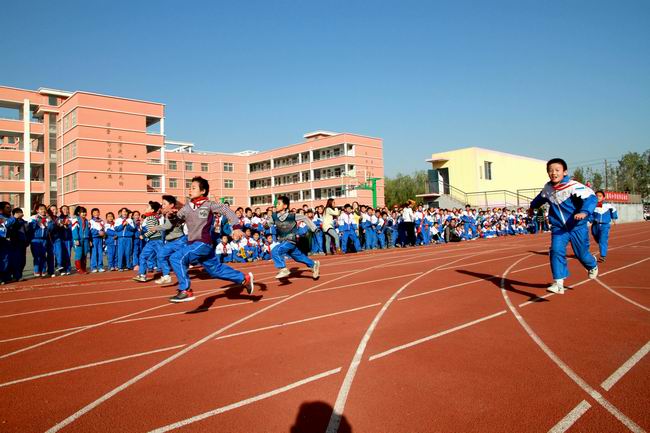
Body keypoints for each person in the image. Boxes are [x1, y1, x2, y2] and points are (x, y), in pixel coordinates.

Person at [168, 176, 253, 303]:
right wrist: (171, 217)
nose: (190, 190)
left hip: (202, 242)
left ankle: (185, 290)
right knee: (215, 270)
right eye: (189, 188)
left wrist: (236, 227)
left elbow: (227, 211)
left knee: (176, 257)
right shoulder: (187, 207)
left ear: (203, 191)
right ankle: (244, 278)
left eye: (193, 188)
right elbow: (176, 221)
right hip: (195, 244)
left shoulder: (209, 205)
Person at [529, 158, 599, 295]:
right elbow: (540, 198)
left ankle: (592, 265)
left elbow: (591, 198)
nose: (553, 173)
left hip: (577, 226)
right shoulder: (548, 188)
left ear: (564, 172)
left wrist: (584, 212)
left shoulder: (573, 186)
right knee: (555, 250)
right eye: (550, 171)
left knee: (582, 254)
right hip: (559, 228)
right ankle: (558, 283)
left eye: (557, 170)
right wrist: (533, 207)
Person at [269, 195, 320, 280]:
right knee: (298, 257)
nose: (276, 205)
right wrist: (266, 225)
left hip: (290, 240)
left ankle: (283, 268)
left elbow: (304, 217)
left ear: (285, 206)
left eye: (278, 204)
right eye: (276, 204)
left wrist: (314, 228)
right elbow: (269, 223)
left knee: (275, 250)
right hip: (282, 241)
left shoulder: (292, 216)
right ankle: (313, 264)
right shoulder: (274, 216)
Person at [153, 195, 187, 285]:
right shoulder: (167, 213)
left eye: (164, 204)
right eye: (162, 204)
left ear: (171, 205)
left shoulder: (173, 213)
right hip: (170, 242)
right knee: (161, 255)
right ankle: (166, 276)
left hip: (179, 241)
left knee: (183, 260)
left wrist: (155, 228)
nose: (162, 205)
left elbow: (168, 226)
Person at [133, 201, 164, 282]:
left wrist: (143, 236)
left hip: (157, 241)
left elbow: (153, 230)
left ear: (152, 210)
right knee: (143, 256)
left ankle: (166, 274)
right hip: (151, 241)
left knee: (162, 256)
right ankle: (142, 275)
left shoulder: (150, 218)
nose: (146, 208)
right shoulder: (150, 217)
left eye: (148, 207)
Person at [590, 190, 618, 263]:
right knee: (596, 236)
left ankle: (603, 255)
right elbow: (590, 214)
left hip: (605, 225)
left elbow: (614, 210)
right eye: (596, 196)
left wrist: (614, 218)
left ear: (603, 198)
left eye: (600, 196)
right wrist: (591, 220)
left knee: (603, 240)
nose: (598, 197)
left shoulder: (607, 205)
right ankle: (601, 243)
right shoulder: (592, 206)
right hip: (595, 226)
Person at [28, 204, 55, 277]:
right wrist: (35, 221)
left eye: (44, 209)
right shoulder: (33, 218)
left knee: (43, 256)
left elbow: (50, 229)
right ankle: (37, 271)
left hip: (44, 240)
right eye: (41, 209)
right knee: (37, 256)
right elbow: (31, 228)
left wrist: (50, 221)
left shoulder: (47, 218)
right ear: (37, 210)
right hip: (35, 239)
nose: (43, 210)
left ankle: (43, 271)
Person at [7, 208, 28, 282]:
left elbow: (28, 232)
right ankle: (15, 276)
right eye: (18, 212)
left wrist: (27, 241)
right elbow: (7, 226)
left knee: (23, 261)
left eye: (21, 212)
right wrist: (14, 218)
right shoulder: (10, 220)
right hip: (14, 243)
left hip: (23, 243)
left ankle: (19, 275)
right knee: (15, 260)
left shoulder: (25, 222)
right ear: (14, 214)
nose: (20, 214)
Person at [71, 206, 91, 274]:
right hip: (78, 239)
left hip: (86, 239)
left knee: (84, 254)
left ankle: (83, 268)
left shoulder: (86, 220)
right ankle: (79, 269)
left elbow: (88, 231)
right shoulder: (75, 219)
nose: (84, 213)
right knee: (79, 254)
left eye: (85, 212)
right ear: (78, 212)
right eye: (82, 212)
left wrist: (89, 240)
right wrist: (76, 239)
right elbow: (74, 230)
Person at [89, 208, 106, 273]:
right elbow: (90, 230)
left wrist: (103, 232)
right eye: (94, 212)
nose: (96, 214)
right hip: (94, 238)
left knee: (100, 253)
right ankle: (93, 267)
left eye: (97, 212)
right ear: (92, 214)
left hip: (100, 239)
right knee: (94, 253)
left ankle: (100, 266)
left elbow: (103, 229)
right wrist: (97, 232)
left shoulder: (101, 221)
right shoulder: (91, 221)